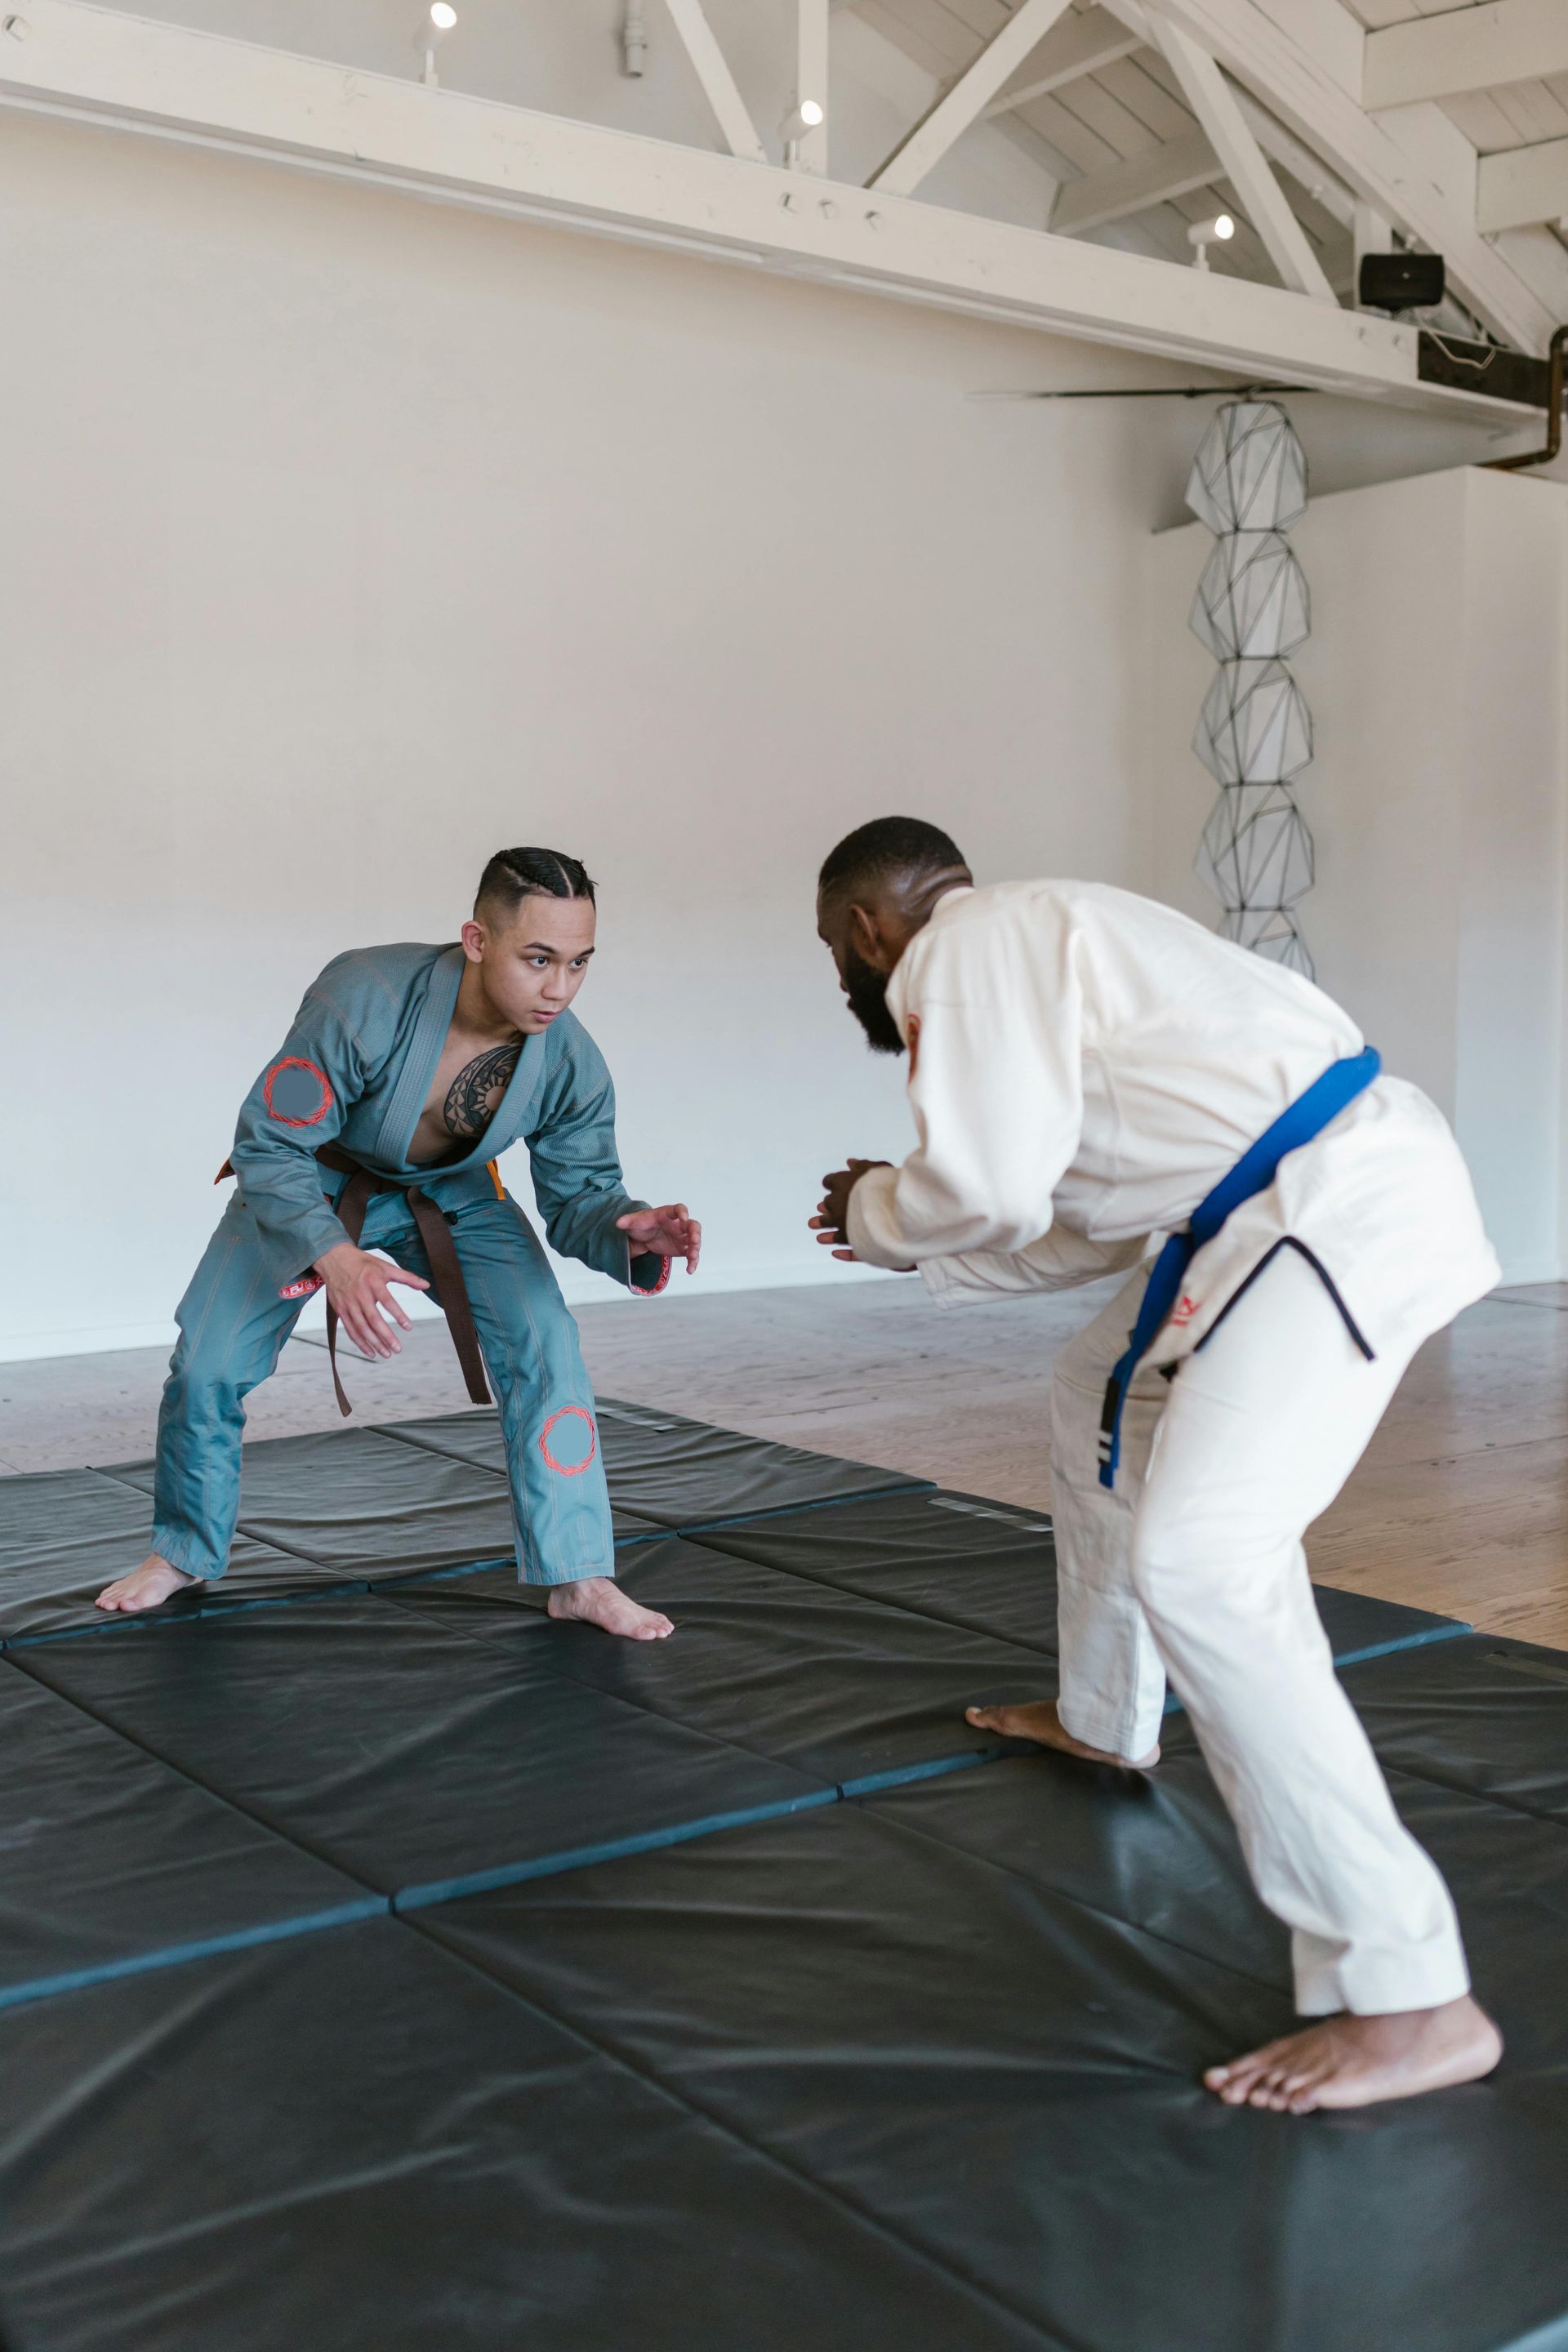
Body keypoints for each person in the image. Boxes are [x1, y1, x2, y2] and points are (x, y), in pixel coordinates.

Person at [810, 815, 1503, 2114]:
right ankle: (1104, 1716)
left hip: (1326, 1212)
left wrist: (881, 1207)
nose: (852, 983)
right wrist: (915, 1239)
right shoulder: (1048, 938)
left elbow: (993, 1187)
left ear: (862, 929)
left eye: (836, 956)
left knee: (1202, 1562)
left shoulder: (958, 951)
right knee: (1095, 1387)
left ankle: (1413, 1997)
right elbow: (1081, 1224)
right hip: (1283, 1211)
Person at [96, 847, 699, 1642]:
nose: (560, 988)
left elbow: (581, 1194)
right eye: (539, 959)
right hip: (310, 1180)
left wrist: (633, 1226)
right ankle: (183, 1552)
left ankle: (578, 1573)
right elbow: (269, 1141)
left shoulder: (570, 1060)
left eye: (580, 963)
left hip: (459, 1198)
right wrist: (336, 1258)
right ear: (477, 940)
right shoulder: (366, 994)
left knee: (545, 1340)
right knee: (208, 1362)